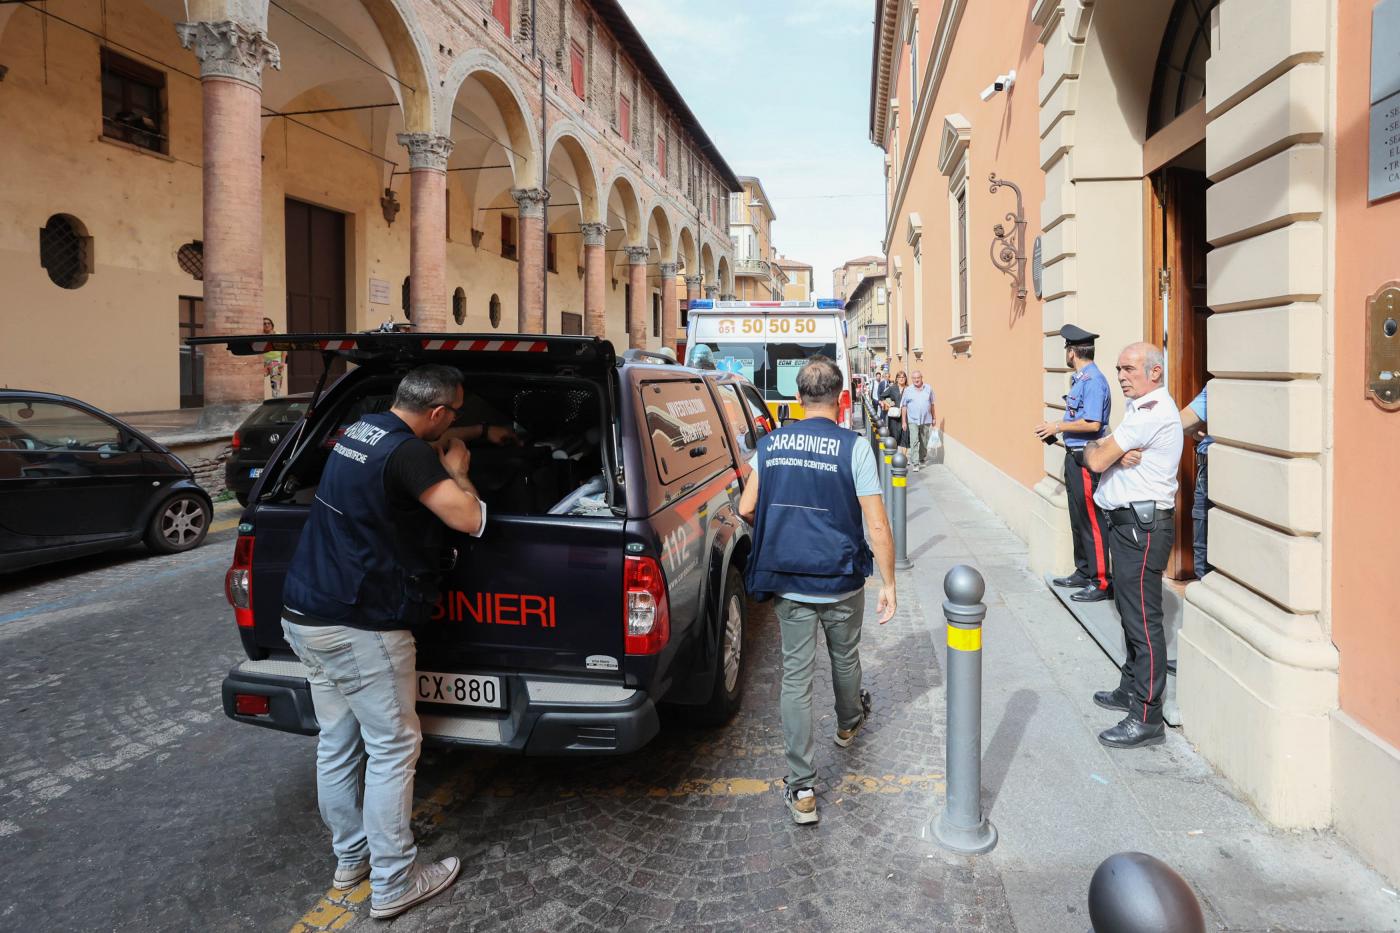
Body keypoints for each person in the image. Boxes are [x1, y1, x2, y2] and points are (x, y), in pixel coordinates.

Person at [279, 365, 488, 919]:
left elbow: (410, 447)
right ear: (438, 413)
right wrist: (458, 469)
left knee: (336, 742)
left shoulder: (361, 430)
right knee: (392, 748)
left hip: (305, 613)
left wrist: (479, 435)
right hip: (360, 625)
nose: (455, 424)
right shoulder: (416, 458)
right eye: (455, 415)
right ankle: (396, 880)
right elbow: (468, 520)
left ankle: (352, 859)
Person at [738, 356, 898, 826]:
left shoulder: (770, 445)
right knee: (845, 657)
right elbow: (877, 523)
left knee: (795, 677)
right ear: (840, 397)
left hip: (790, 578)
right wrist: (889, 583)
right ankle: (849, 725)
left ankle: (803, 787)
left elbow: (748, 507)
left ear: (797, 398)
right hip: (843, 577)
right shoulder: (855, 447)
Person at [1082, 343, 1182, 750]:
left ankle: (1146, 715)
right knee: (1129, 615)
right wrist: (1107, 452)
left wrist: (1102, 452)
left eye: (1129, 369)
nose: (1121, 376)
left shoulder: (1152, 412)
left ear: (1154, 373)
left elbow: (1094, 459)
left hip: (1142, 530)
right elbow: (1105, 453)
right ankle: (1130, 687)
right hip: (1129, 527)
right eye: (1119, 369)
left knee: (1143, 621)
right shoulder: (1140, 410)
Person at [1035, 325, 1113, 602]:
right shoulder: (1080, 380)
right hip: (1074, 456)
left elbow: (1093, 423)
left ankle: (1102, 581)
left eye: (1066, 349)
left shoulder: (1092, 381)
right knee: (1078, 519)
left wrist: (1057, 425)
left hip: (1087, 458)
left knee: (1092, 519)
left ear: (1072, 352)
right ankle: (1084, 570)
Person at [1180, 387, 1213, 579]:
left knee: (1204, 543)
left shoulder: (1217, 387)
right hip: (1216, 465)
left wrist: (1201, 430)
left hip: (1211, 467)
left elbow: (1182, 423)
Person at [899, 370, 936, 471]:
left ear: (921, 377)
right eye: (914, 378)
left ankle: (921, 458)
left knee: (924, 441)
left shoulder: (928, 388)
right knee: (914, 440)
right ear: (912, 379)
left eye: (918, 378)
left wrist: (934, 417)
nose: (916, 380)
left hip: (926, 419)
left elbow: (932, 404)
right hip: (913, 420)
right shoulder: (908, 390)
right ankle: (915, 463)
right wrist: (904, 421)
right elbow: (904, 406)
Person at [262, 317, 287, 398]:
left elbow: (284, 349)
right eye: (264, 323)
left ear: (272, 325)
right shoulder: (259, 336)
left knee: (275, 385)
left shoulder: (277, 335)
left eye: (268, 323)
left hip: (275, 361)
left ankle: (276, 402)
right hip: (264, 362)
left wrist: (282, 362)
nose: (266, 325)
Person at [889, 371, 910, 458]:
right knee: (895, 436)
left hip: (906, 416)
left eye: (903, 377)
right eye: (899, 377)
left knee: (905, 436)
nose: (901, 379)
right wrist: (889, 402)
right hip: (895, 417)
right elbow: (882, 397)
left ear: (905, 379)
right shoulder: (892, 388)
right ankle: (895, 455)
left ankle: (903, 458)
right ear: (897, 379)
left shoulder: (909, 389)